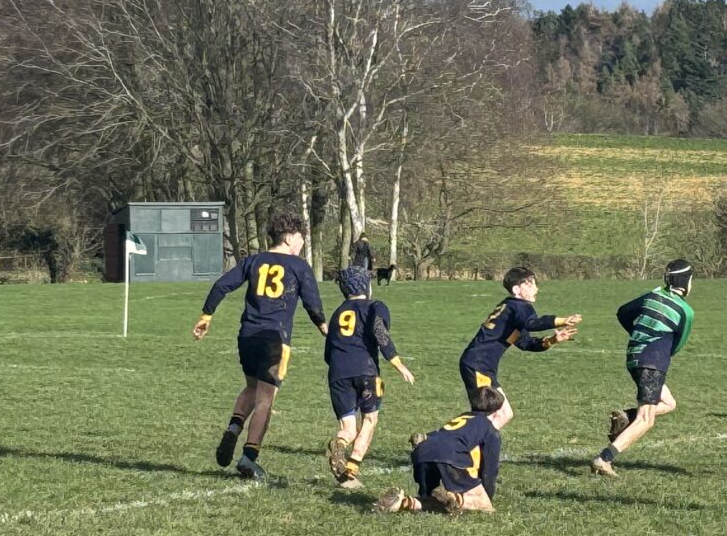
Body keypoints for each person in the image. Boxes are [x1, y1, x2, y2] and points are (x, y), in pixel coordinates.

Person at [192, 211, 326, 484]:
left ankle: (233, 427)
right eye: (300, 239)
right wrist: (325, 329)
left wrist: (206, 316)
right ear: (289, 238)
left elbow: (221, 285)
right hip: (275, 340)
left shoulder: (253, 261)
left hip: (247, 336)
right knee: (266, 398)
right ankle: (249, 458)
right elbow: (313, 305)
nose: (302, 244)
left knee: (251, 387)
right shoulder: (299, 267)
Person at [595, 260, 695, 477]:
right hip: (653, 362)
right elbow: (679, 342)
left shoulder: (651, 296)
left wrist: (639, 333)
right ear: (686, 281)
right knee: (646, 419)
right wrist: (660, 353)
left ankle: (626, 416)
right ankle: (604, 459)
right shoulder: (685, 311)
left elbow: (623, 312)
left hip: (634, 357)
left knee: (669, 403)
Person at [322, 262, 414, 490]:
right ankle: (352, 468)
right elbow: (379, 331)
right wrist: (397, 363)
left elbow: (328, 352)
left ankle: (340, 444)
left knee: (348, 428)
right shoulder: (375, 306)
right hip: (366, 371)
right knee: (370, 419)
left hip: (338, 374)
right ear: (366, 285)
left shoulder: (337, 313)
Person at [457, 266, 580, 421]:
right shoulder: (520, 306)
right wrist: (562, 320)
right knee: (491, 415)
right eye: (530, 284)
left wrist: (553, 340)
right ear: (516, 289)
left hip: (481, 364)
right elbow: (533, 323)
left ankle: (464, 439)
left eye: (535, 284)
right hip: (478, 365)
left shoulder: (512, 308)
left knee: (502, 414)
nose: (536, 288)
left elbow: (525, 343)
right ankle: (455, 438)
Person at [376, 384, 508, 515]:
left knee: (429, 502)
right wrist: (487, 497)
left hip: (423, 450)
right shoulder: (490, 430)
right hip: (448, 454)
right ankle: (454, 498)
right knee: (483, 504)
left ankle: (404, 502)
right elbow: (490, 470)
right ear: (497, 410)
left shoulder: (464, 416)